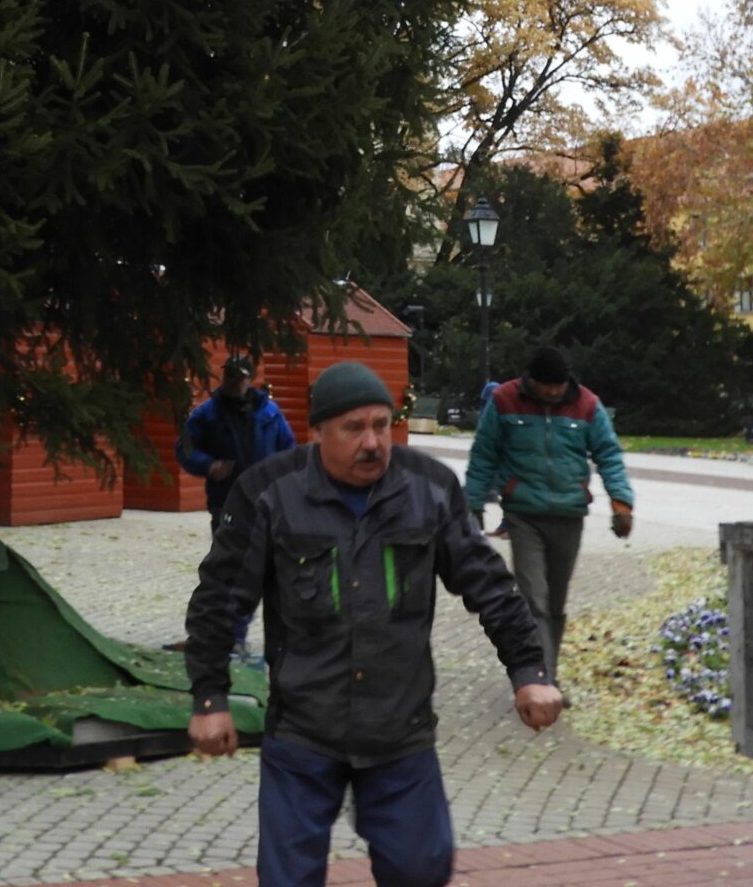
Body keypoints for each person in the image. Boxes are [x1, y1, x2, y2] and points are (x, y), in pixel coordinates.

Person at [185, 361, 562, 887]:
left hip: (398, 731)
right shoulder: (269, 493)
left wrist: (529, 671)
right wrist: (210, 698)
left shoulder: (428, 488)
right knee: (287, 880)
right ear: (317, 432)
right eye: (354, 428)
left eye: (381, 426)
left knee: (421, 871)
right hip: (302, 731)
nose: (372, 442)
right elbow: (220, 599)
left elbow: (489, 584)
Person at [460, 345, 634, 699]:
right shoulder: (506, 400)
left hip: (569, 515)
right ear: (532, 381)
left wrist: (621, 503)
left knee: (555, 603)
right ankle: (542, 679)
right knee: (533, 599)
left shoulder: (586, 405)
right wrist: (472, 503)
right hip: (524, 515)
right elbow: (484, 453)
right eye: (546, 387)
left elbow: (609, 454)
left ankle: (545, 668)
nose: (553, 392)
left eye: (559, 386)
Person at [179, 352, 297, 659]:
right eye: (230, 376)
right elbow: (186, 448)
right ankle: (219, 636)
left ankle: (236, 635)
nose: (235, 382)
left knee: (259, 573)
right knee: (224, 571)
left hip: (267, 505)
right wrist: (208, 465)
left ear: (249, 379)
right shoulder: (206, 414)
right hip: (226, 503)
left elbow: (289, 451)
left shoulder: (270, 413)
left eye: (240, 377)